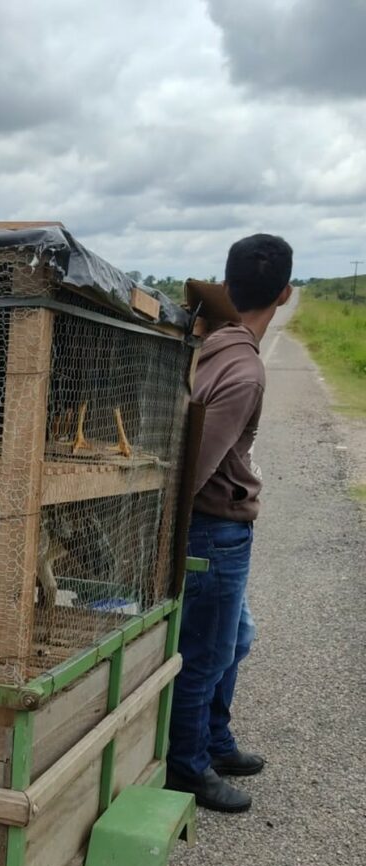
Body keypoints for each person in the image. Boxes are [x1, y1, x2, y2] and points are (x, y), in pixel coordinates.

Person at [166, 234, 293, 813]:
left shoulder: (215, 345)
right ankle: (186, 768)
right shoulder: (243, 371)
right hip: (216, 531)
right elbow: (194, 466)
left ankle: (215, 742)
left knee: (235, 639)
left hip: (218, 530)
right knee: (206, 655)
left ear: (227, 281)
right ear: (286, 294)